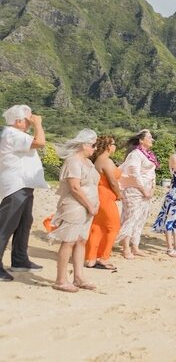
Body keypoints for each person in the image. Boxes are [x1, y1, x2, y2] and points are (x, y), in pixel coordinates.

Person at [48, 129, 100, 292]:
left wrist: (94, 204)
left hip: (88, 207)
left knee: (81, 240)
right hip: (75, 206)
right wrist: (89, 205)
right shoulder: (73, 161)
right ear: (84, 145)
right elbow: (75, 187)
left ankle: (79, 277)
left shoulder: (89, 162)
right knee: (69, 241)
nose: (95, 148)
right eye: (93, 145)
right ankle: (61, 279)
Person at [0, 105, 47, 282]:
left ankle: (20, 259)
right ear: (18, 121)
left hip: (23, 185)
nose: (31, 122)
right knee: (6, 226)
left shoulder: (14, 134)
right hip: (15, 186)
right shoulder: (12, 134)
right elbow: (40, 142)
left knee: (24, 222)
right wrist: (38, 124)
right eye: (28, 120)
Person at [116, 130, 157, 259]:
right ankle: (126, 248)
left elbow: (151, 173)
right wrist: (144, 189)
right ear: (141, 140)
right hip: (134, 190)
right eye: (149, 138)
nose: (152, 140)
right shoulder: (135, 154)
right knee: (130, 218)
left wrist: (152, 188)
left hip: (146, 190)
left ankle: (135, 246)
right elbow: (134, 173)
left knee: (140, 218)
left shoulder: (148, 154)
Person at [85, 135, 122, 270]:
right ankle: (104, 257)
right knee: (113, 227)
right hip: (105, 195)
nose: (115, 146)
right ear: (108, 146)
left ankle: (91, 258)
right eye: (113, 144)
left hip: (98, 194)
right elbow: (112, 181)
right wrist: (119, 194)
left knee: (97, 227)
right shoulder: (106, 161)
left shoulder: (97, 160)